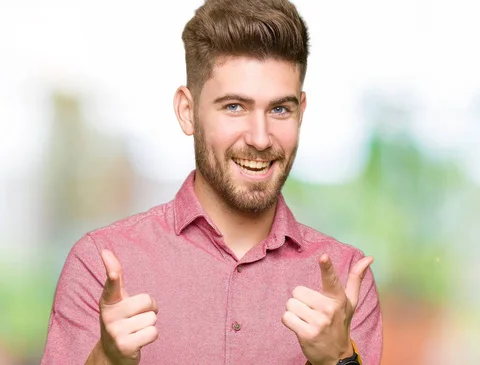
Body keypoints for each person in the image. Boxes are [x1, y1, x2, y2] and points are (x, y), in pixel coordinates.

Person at [41, 0, 383, 364]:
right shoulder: (99, 264)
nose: (261, 138)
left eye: (280, 109)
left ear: (301, 112)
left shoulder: (346, 283)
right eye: (234, 106)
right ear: (187, 112)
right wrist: (105, 360)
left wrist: (340, 360)